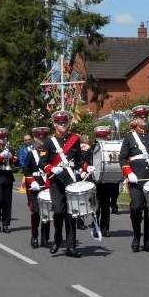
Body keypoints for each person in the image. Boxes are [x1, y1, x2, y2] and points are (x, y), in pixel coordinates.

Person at [119, 105, 149, 253]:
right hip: (136, 179)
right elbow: (122, 158)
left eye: (145, 116)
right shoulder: (129, 137)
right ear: (135, 119)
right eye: (141, 117)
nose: (144, 119)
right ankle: (136, 237)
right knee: (136, 207)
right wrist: (129, 173)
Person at [40, 110, 85, 258]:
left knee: (72, 214)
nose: (63, 125)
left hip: (71, 181)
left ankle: (71, 247)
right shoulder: (48, 141)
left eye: (65, 122)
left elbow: (78, 159)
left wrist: (85, 168)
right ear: (54, 124)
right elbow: (42, 163)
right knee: (59, 212)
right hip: (56, 182)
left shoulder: (74, 139)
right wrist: (52, 168)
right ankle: (58, 238)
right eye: (60, 123)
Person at [24, 126, 51, 249]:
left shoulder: (51, 153)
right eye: (39, 138)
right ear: (35, 138)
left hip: (47, 185)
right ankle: (34, 235)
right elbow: (26, 171)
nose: (42, 140)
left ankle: (45, 238)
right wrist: (32, 182)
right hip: (35, 186)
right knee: (35, 212)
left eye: (44, 137)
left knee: (47, 212)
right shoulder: (31, 154)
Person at [91, 126, 119, 237]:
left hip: (107, 180)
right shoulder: (92, 148)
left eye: (104, 137)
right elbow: (86, 161)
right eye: (100, 137)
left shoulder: (111, 148)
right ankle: (95, 227)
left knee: (106, 206)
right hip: (95, 181)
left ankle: (105, 228)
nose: (102, 140)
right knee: (96, 207)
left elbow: (114, 161)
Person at [0, 128, 17, 233]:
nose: (3, 139)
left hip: (8, 177)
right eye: (0, 138)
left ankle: (6, 224)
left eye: (4, 137)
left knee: (7, 201)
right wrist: (0, 156)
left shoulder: (11, 149)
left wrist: (11, 157)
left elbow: (17, 163)